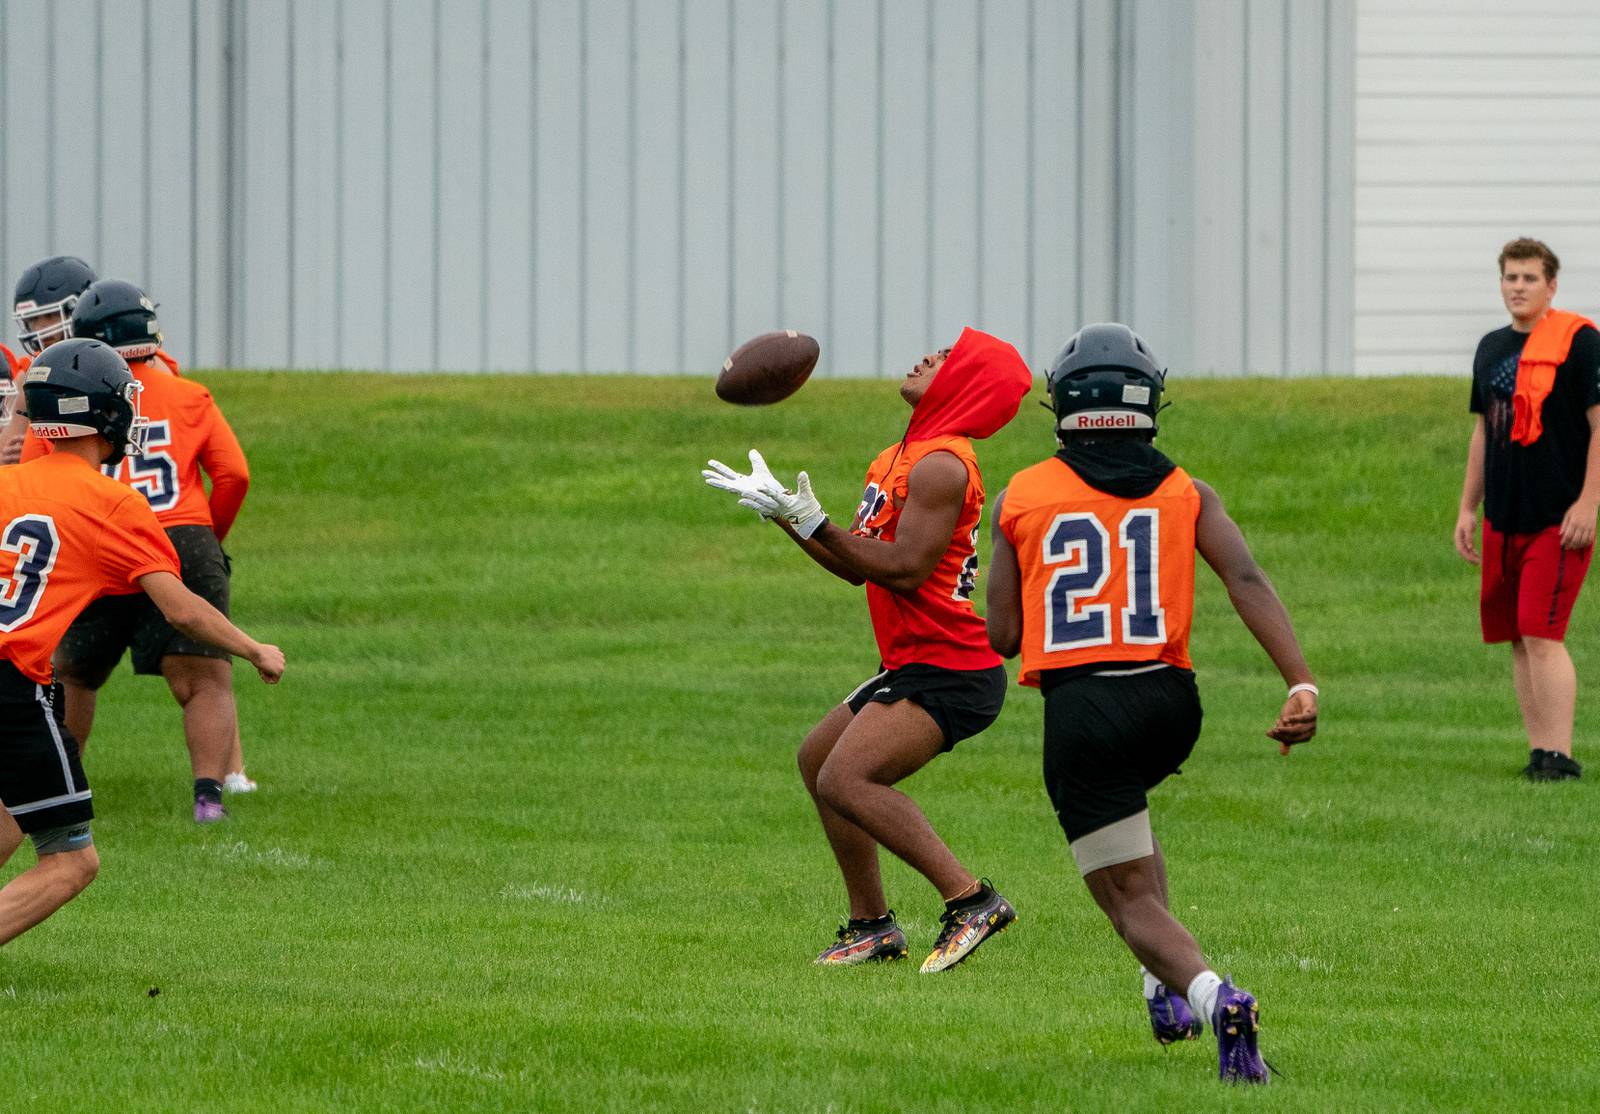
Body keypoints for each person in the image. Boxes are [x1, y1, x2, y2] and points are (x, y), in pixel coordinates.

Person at [984, 323, 1318, 1083]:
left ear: (1062, 404)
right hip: (1171, 701)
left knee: (1125, 897)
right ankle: (1160, 987)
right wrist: (1300, 681)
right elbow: (1248, 582)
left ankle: (1212, 995)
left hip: (1086, 706)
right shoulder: (1187, 490)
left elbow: (1002, 635)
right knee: (1129, 826)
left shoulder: (1020, 496)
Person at [703, 327, 1032, 972]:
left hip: (952, 666)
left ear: (965, 383)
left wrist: (812, 521)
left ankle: (972, 899)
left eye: (944, 358)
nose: (925, 356)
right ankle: (872, 925)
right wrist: (785, 516)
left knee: (847, 778)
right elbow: (860, 566)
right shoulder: (899, 457)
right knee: (817, 759)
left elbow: (905, 569)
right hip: (915, 660)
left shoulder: (942, 464)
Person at [0, 338, 284, 947]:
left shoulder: (6, 483)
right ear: (105, 413)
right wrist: (254, 648)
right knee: (73, 859)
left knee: (10, 815)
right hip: (10, 687)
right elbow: (181, 609)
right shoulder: (111, 503)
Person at [21, 281, 254, 821]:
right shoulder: (189, 395)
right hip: (180, 534)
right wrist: (207, 537)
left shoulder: (68, 399)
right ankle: (209, 799)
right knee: (203, 678)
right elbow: (233, 473)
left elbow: (37, 468)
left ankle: (61, 782)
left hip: (91, 534)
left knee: (72, 671)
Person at [1454, 238, 1600, 782]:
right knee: (1517, 635)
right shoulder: (1491, 347)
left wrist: (1588, 502)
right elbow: (1482, 430)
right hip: (1504, 516)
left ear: (1552, 285)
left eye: (1530, 278)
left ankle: (1560, 757)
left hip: (1557, 518)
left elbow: (1598, 427)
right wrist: (1468, 508)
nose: (1518, 287)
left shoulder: (1580, 343)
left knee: (1543, 632)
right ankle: (1540, 751)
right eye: (1510, 278)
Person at [3, 256, 99, 464]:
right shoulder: (31, 375)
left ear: (80, 309)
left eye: (50, 316)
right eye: (33, 320)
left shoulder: (118, 364)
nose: (40, 329)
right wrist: (6, 459)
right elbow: (7, 447)